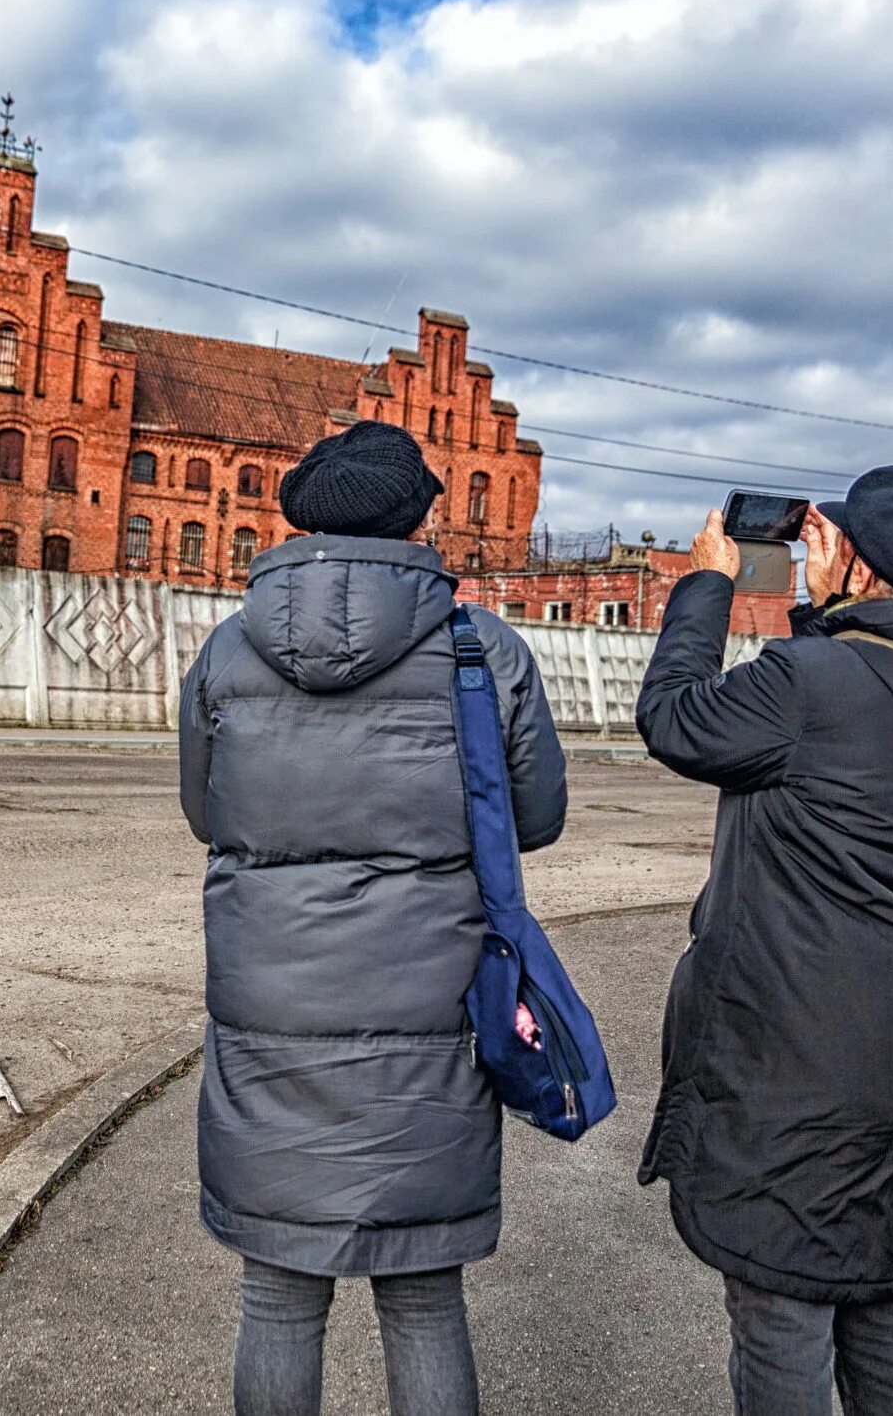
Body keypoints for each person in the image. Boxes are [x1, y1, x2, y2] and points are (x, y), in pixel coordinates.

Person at [179, 420, 567, 1416]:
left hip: (270, 1012)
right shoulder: (484, 653)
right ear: (418, 518)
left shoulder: (226, 653)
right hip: (431, 1011)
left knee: (275, 1297)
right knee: (425, 1299)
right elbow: (536, 817)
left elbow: (205, 814)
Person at [635, 464, 893, 1416]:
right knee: (877, 1295)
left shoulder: (811, 683)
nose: (814, 550)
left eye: (829, 539)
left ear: (861, 561)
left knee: (781, 1308)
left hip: (798, 1056)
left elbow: (675, 719)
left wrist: (708, 585)